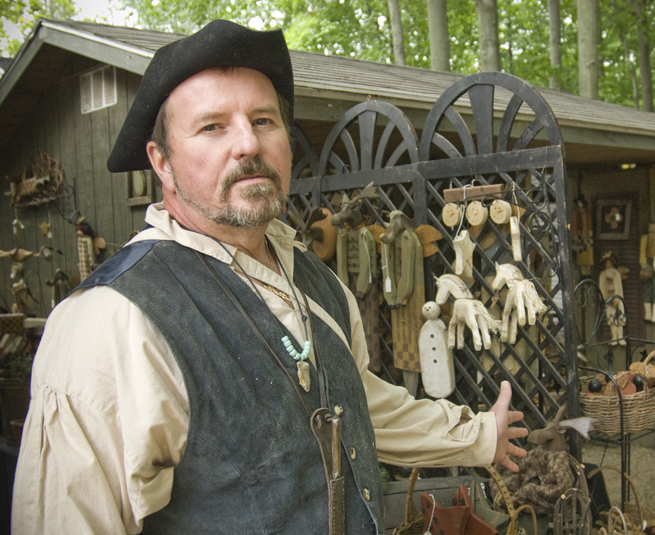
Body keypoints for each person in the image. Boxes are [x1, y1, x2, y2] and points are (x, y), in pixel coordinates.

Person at [12, 20, 528, 534]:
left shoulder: (316, 280)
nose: (247, 144)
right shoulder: (109, 321)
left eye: (263, 121)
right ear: (162, 162)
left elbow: (357, 403)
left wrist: (479, 436)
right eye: (212, 127)